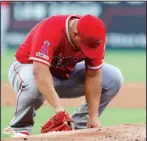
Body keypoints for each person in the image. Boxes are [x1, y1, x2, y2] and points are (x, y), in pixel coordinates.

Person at [3, 14, 124, 137]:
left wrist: (93, 116)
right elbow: (39, 71)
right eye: (85, 46)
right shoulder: (51, 27)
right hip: (27, 68)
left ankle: (79, 125)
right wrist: (59, 109)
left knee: (113, 77)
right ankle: (20, 129)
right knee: (34, 82)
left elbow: (94, 75)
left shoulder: (95, 39)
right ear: (75, 34)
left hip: (64, 73)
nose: (86, 50)